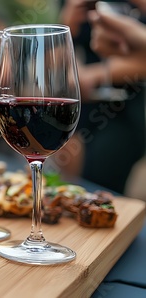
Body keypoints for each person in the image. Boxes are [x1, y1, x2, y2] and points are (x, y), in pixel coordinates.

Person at [58, 0, 146, 194]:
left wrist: (97, 75)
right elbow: (56, 62)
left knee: (100, 183)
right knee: (73, 186)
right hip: (81, 111)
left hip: (124, 112)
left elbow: (141, 57)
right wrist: (67, 25)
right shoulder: (73, 4)